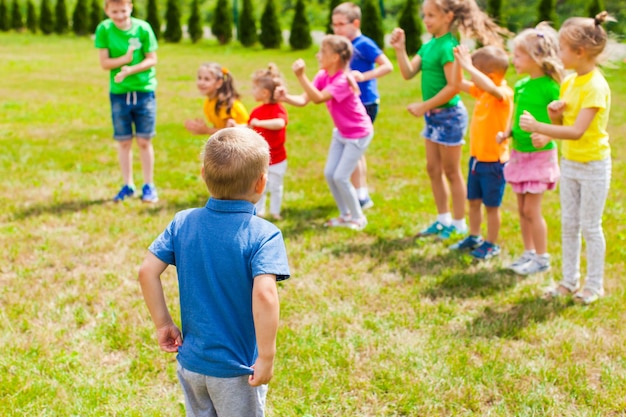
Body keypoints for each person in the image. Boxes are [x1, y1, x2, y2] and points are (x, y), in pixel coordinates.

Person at [138, 127, 290, 416]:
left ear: (204, 175)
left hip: (192, 363)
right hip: (237, 370)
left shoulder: (183, 222)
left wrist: (163, 324)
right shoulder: (264, 235)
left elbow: (147, 272)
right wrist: (267, 357)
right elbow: (266, 295)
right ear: (262, 183)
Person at [389, 0, 508, 240]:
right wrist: (400, 49)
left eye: (431, 15)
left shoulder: (449, 47)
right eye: (424, 15)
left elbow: (454, 87)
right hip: (434, 117)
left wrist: (424, 106)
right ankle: (442, 219)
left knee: (451, 171)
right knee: (433, 169)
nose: (426, 20)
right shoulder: (429, 45)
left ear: (448, 16)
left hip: (449, 117)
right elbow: (407, 73)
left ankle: (458, 222)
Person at [519, 12, 613, 303]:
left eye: (562, 49)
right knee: (569, 224)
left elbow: (577, 131)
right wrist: (551, 121)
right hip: (571, 164)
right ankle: (568, 281)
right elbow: (563, 127)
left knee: (590, 226)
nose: (558, 55)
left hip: (594, 166)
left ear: (580, 52)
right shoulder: (570, 83)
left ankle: (593, 285)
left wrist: (538, 126)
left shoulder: (595, 87)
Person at [278, 35, 374, 231]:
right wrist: (285, 97)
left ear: (336, 57)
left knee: (341, 177)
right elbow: (305, 99)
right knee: (330, 174)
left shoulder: (343, 80)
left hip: (358, 133)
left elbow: (319, 98)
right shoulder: (323, 75)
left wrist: (301, 76)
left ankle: (358, 217)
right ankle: (345, 214)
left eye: (322, 52)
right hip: (341, 132)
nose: (317, 55)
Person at [498, 22, 564, 275]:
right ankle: (529, 253)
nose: (513, 60)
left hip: (540, 156)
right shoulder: (521, 85)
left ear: (536, 57)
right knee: (521, 208)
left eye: (518, 55)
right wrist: (507, 132)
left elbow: (559, 120)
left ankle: (542, 257)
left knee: (531, 209)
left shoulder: (551, 86)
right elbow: (514, 115)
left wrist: (546, 136)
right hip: (519, 154)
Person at [448, 45, 513, 260]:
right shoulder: (482, 91)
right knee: (473, 201)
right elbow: (457, 83)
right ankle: (474, 236)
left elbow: (493, 89)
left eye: (475, 72)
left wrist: (468, 66)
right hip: (477, 159)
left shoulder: (502, 93)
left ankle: (491, 243)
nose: (471, 76)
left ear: (490, 76)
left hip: (494, 163)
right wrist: (459, 62)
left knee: (491, 207)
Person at [95, 0, 159, 203]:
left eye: (123, 11)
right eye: (114, 12)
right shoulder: (104, 29)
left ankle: (148, 185)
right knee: (123, 142)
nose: (120, 16)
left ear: (130, 7)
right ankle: (127, 185)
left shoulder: (143, 28)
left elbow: (152, 59)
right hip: (119, 94)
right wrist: (125, 59)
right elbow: (105, 63)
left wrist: (131, 69)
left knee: (144, 140)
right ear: (107, 10)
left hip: (143, 91)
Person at [331, 2, 393, 209]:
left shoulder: (364, 44)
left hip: (364, 103)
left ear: (355, 23)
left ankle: (360, 196)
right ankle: (360, 192)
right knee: (356, 152)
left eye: (341, 24)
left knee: (353, 149)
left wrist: (362, 77)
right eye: (334, 25)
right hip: (349, 104)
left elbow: (387, 66)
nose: (337, 29)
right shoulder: (341, 46)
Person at [249, 63, 289, 220]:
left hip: (278, 158)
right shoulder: (257, 111)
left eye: (254, 88)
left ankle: (275, 211)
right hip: (261, 157)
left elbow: (279, 123)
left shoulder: (279, 109)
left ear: (264, 92)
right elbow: (249, 125)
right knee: (260, 186)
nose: (252, 91)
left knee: (276, 186)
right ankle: (259, 211)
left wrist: (260, 123)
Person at [184, 62, 249, 135]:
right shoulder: (208, 102)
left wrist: (206, 130)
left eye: (207, 79)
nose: (201, 82)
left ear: (219, 83)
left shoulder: (226, 104)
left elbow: (229, 132)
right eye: (199, 78)